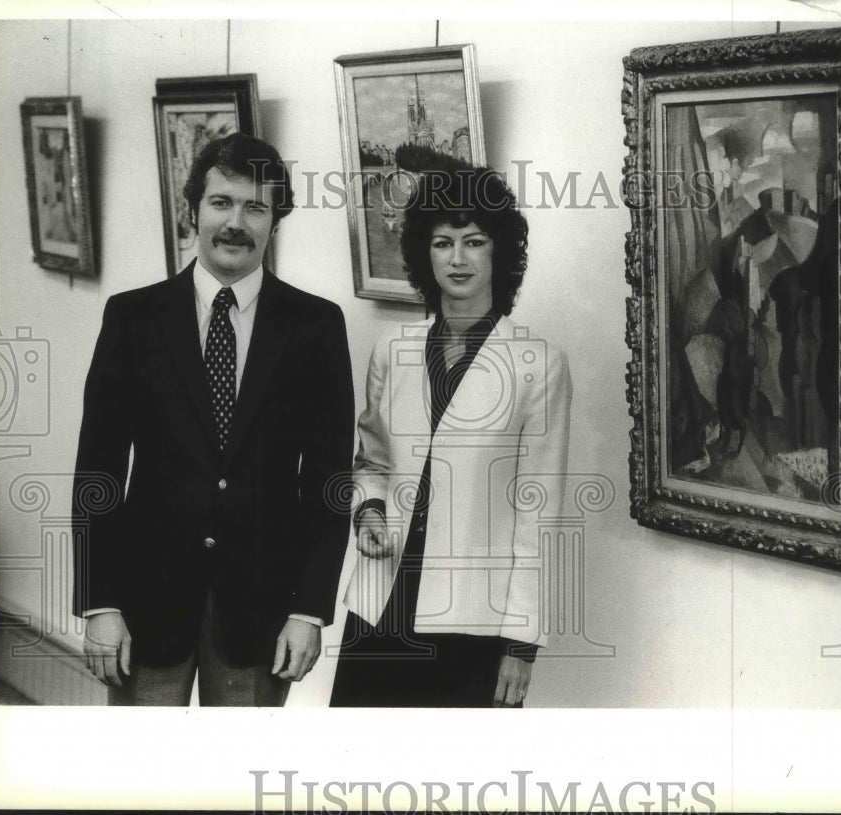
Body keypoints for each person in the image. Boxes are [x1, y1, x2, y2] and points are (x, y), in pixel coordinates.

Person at [71, 133, 355, 706]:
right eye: (222, 202)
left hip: (262, 612)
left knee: (238, 781)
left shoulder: (316, 326)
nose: (236, 223)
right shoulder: (132, 317)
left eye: (256, 207)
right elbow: (97, 467)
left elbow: (329, 480)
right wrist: (100, 601)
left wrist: (310, 609)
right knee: (144, 786)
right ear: (192, 209)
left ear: (276, 220)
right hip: (145, 606)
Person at [330, 167, 572, 707]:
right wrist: (368, 512)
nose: (458, 258)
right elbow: (370, 462)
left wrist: (521, 644)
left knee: (454, 784)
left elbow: (542, 512)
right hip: (379, 602)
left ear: (499, 254)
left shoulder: (540, 366)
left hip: (474, 623)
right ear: (424, 254)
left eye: (474, 242)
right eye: (443, 242)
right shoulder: (392, 349)